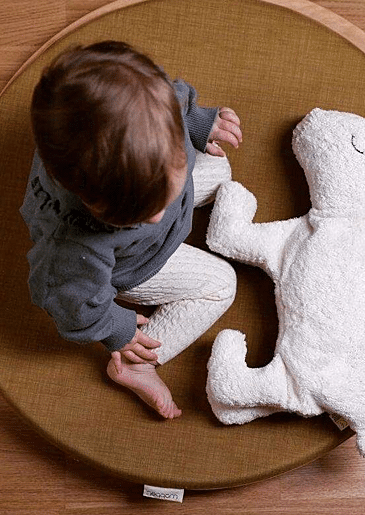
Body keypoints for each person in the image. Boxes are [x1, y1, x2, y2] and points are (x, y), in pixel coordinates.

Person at [20, 41, 242, 419]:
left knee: (219, 169)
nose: (156, 217)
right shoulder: (73, 247)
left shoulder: (154, 105)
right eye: (138, 214)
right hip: (136, 264)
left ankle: (177, 186)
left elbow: (178, 102)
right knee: (221, 285)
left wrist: (197, 124)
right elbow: (70, 302)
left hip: (156, 181)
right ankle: (136, 366)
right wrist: (115, 328)